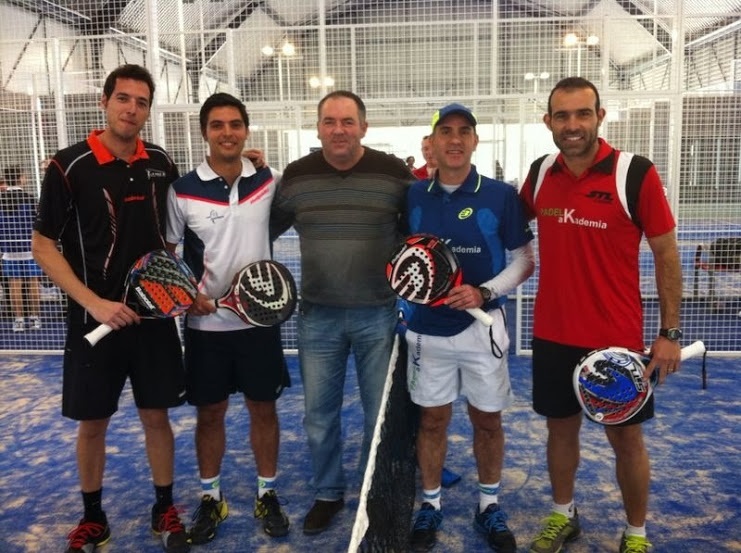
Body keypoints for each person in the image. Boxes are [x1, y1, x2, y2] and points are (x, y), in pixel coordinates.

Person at [519, 77, 682, 553]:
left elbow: (667, 255)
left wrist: (669, 331)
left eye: (582, 114)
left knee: (626, 441)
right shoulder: (540, 172)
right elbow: (505, 222)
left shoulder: (635, 173)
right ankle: (562, 515)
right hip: (553, 334)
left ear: (599, 116)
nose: (572, 125)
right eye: (562, 116)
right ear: (548, 121)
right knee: (559, 430)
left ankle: (635, 534)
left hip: (615, 340)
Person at [31, 64, 190, 553]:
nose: (132, 109)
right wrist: (95, 304)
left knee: (156, 417)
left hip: (153, 320)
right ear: (104, 102)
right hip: (92, 319)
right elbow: (43, 245)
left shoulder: (161, 162)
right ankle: (93, 518)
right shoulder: (68, 166)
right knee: (93, 423)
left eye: (142, 102)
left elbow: (173, 233)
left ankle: (164, 508)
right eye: (123, 98)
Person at [270, 90, 413, 535]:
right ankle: (328, 494)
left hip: (378, 315)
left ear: (364, 127)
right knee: (318, 415)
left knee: (379, 417)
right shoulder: (295, 177)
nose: (338, 130)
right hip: (318, 316)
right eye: (329, 121)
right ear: (318, 129)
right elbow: (262, 225)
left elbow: (417, 233)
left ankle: (377, 498)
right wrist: (251, 174)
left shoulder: (393, 173)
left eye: (347, 122)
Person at [404, 103, 535, 552]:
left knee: (487, 421)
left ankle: (488, 505)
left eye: (464, 131)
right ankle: (432, 504)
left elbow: (524, 259)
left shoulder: (500, 195)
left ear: (475, 141)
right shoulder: (414, 195)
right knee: (433, 420)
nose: (454, 139)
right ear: (433, 143)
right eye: (446, 131)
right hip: (425, 331)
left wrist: (485, 293)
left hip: (483, 330)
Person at [165, 92, 291, 543]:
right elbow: (169, 253)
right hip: (206, 328)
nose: (227, 132)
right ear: (204, 132)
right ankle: (209, 497)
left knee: (264, 409)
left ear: (246, 131)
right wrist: (187, 297)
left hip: (260, 324)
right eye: (217, 125)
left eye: (235, 124)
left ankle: (267, 493)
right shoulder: (181, 190)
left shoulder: (266, 180)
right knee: (210, 414)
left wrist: (263, 164)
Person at [0, 165, 43, 332]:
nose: (26, 178)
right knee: (33, 282)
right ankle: (34, 318)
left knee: (14, 284)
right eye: (24, 176)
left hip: (9, 249)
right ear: (19, 178)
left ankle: (18, 320)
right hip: (29, 247)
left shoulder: (1, 199)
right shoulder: (30, 198)